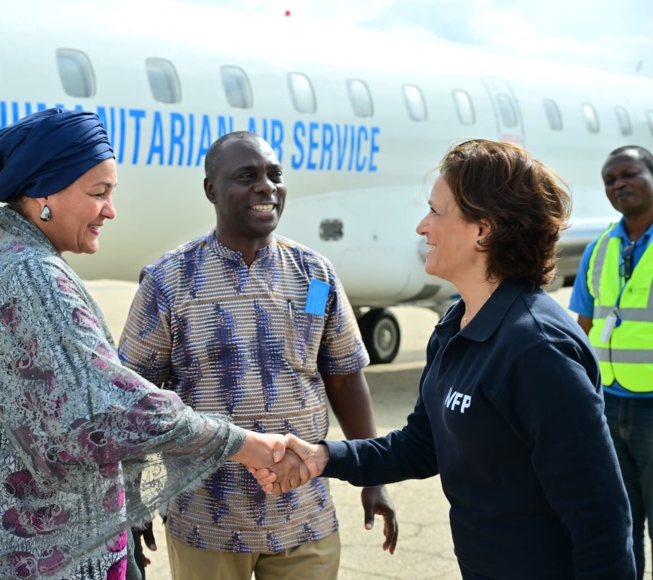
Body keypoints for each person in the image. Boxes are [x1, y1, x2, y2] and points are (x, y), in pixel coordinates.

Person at [0, 110, 307, 580]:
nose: (110, 210)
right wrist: (243, 444)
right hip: (23, 554)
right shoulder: (33, 275)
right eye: (97, 194)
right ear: (43, 194)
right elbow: (111, 407)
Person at [254, 139, 636, 578]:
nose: (422, 226)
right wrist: (324, 457)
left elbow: (601, 518)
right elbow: (422, 445)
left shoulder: (537, 350)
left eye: (436, 212)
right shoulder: (456, 326)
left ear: (483, 230)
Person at [117, 131, 397, 580]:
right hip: (206, 522)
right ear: (211, 189)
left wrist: (373, 475)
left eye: (274, 175)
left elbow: (345, 377)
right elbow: (134, 399)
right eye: (247, 176)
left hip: (304, 518)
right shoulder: (169, 281)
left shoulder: (316, 277)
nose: (266, 186)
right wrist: (132, 501)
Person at [568, 144, 653, 577]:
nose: (619, 184)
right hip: (608, 405)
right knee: (620, 525)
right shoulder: (598, 248)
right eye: (609, 180)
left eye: (629, 174)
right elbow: (581, 328)